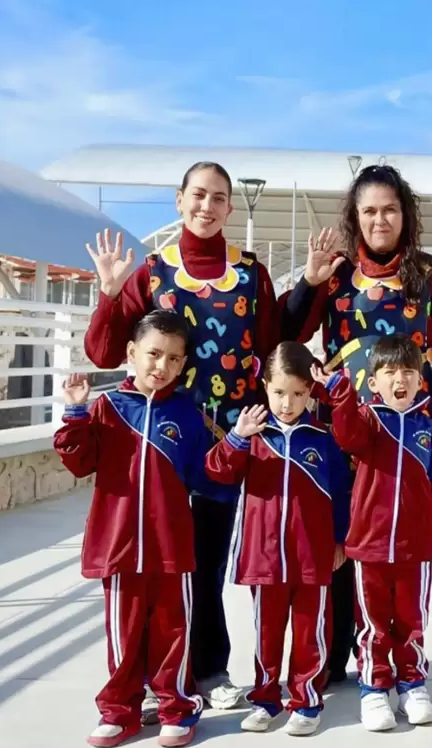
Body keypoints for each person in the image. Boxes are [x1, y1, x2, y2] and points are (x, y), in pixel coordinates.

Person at [83, 161, 280, 711]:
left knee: (208, 562)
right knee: (159, 568)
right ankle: (152, 678)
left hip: (225, 444)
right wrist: (108, 292)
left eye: (219, 198)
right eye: (198, 195)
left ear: (230, 208)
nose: (207, 206)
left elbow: (269, 349)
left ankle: (209, 669)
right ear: (179, 200)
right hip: (160, 445)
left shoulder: (251, 274)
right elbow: (102, 353)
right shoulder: (149, 272)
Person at [280, 163, 432, 684]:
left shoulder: (429, 273)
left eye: (389, 208)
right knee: (345, 537)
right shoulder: (337, 272)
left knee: (397, 543)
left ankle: (397, 657)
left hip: (413, 432)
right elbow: (290, 332)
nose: (380, 219)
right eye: (369, 210)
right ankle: (337, 655)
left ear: (404, 214)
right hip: (346, 426)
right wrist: (308, 281)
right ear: (355, 216)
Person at [54, 311, 213, 748]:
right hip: (119, 547)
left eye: (172, 359)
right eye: (153, 354)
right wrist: (75, 412)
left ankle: (176, 707)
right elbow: (79, 460)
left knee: (171, 634)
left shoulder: (188, 415)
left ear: (182, 366)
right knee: (123, 637)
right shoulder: (106, 408)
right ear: (131, 353)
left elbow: (205, 475)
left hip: (170, 548)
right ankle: (120, 711)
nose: (161, 366)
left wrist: (236, 445)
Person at [312, 335, 432, 732]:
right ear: (373, 382)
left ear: (420, 380)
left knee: (411, 619)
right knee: (374, 623)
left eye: (409, 372)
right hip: (370, 547)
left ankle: (412, 683)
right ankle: (374, 688)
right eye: (390, 372)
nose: (401, 379)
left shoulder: (428, 429)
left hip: (416, 549)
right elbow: (345, 434)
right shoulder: (367, 422)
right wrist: (339, 393)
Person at [205, 342, 351, 736]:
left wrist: (340, 541)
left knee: (310, 632)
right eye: (279, 392)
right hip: (264, 559)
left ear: (310, 392)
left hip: (312, 558)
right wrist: (236, 436)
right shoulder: (253, 435)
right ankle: (266, 699)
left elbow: (342, 495)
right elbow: (216, 472)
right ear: (265, 386)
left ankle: (306, 700)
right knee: (266, 635)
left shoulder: (324, 439)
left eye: (299, 393)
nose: (288, 403)